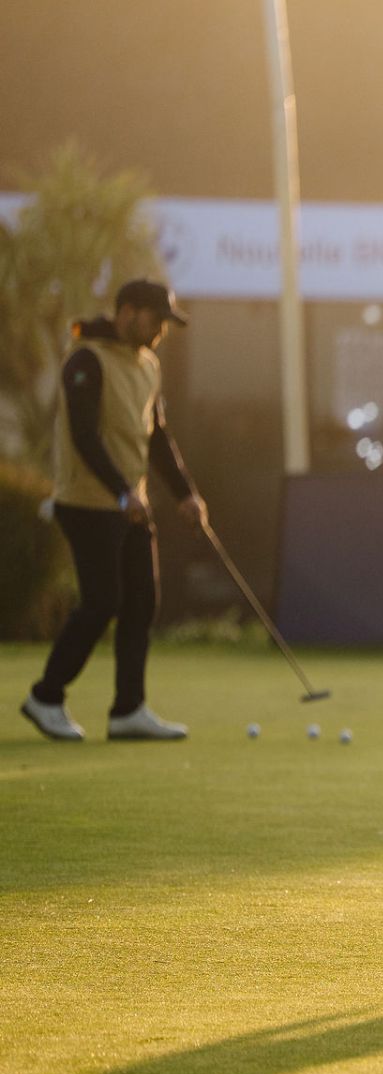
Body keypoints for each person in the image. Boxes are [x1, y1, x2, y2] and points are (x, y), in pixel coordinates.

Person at [20, 279, 205, 742]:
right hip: (86, 502)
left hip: (129, 505)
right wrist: (123, 492)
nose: (161, 329)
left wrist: (185, 493)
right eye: (155, 319)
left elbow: (156, 436)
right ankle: (46, 696)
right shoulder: (86, 360)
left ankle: (128, 709)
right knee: (102, 601)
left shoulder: (148, 365)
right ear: (127, 312)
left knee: (142, 602)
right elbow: (84, 436)